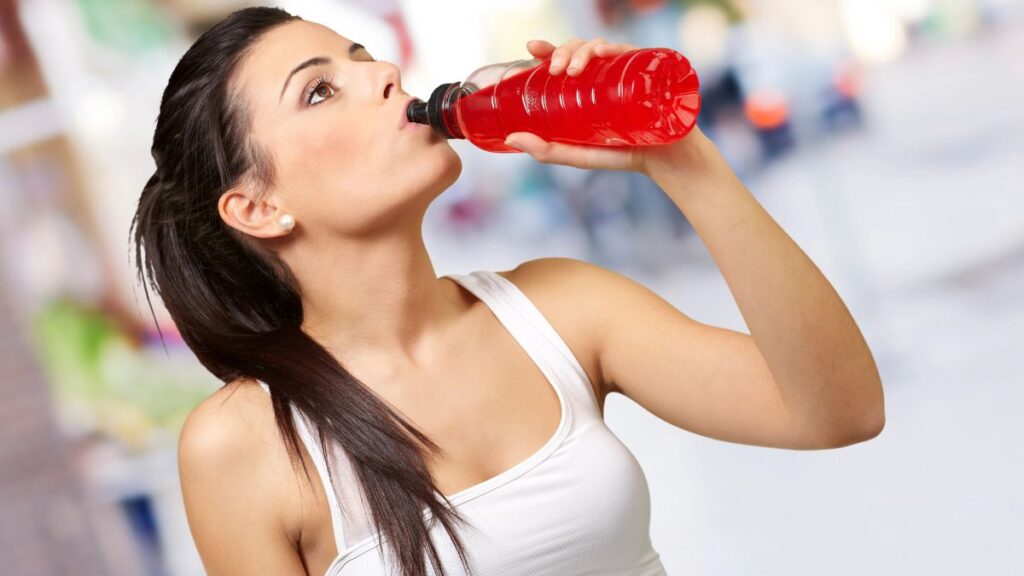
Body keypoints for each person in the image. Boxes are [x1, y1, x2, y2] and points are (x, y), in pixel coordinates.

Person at [131, 6, 885, 576]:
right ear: (258, 208)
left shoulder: (561, 308)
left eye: (361, 55)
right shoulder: (244, 443)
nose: (384, 73)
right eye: (321, 91)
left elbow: (839, 411)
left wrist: (685, 163)